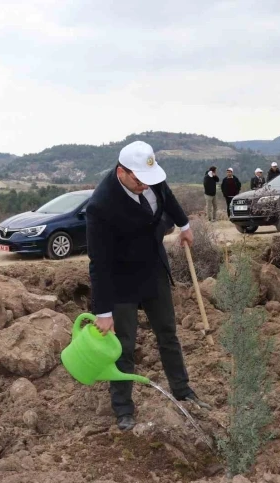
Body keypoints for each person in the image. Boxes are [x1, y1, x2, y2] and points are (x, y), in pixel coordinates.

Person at [87, 140, 210, 431]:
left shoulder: (150, 180)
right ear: (122, 173)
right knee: (123, 347)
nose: (146, 185)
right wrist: (103, 311)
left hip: (153, 268)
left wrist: (184, 225)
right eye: (140, 181)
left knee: (168, 333)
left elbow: (167, 196)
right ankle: (123, 409)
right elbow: (99, 262)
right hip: (121, 280)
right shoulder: (100, 206)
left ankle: (182, 390)